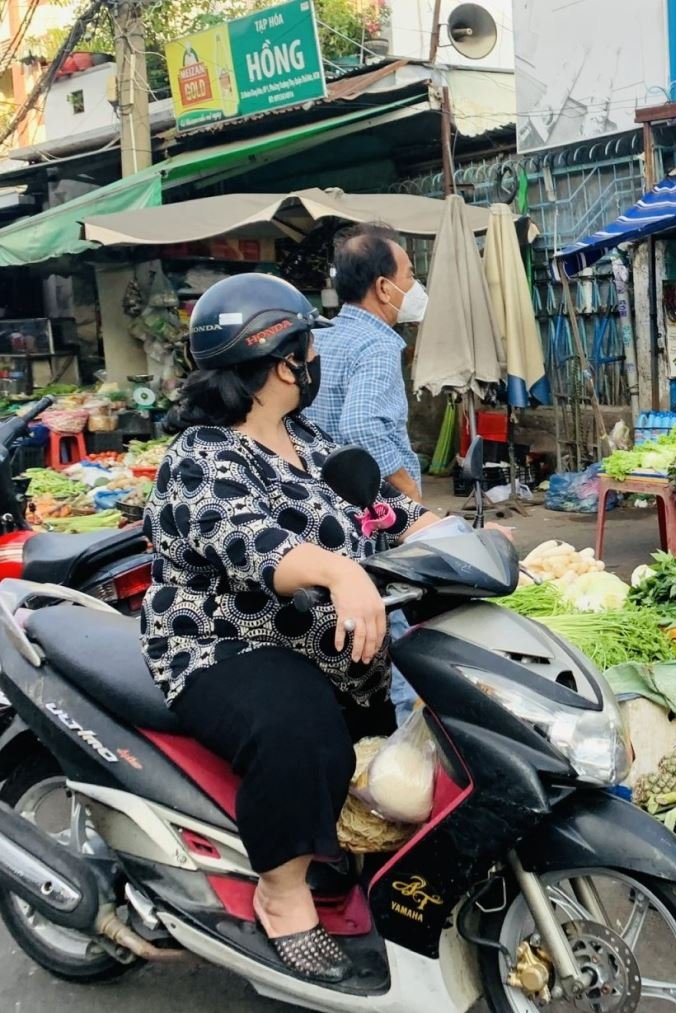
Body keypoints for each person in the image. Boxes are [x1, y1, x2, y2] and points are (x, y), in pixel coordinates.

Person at [142, 273, 446, 983]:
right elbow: (249, 541)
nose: (317, 361)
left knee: (408, 734)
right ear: (286, 361)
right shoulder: (201, 454)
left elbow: (370, 513)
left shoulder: (306, 437)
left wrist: (442, 528)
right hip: (221, 641)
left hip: (329, 641)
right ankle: (280, 895)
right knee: (304, 730)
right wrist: (339, 574)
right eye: (312, 348)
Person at [304, 223, 429, 722]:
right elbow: (362, 427)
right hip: (370, 517)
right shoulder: (378, 346)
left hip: (318, 517)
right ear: (383, 287)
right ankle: (408, 751)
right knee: (398, 629)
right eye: (411, 275)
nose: (416, 288)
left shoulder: (321, 337)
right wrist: (409, 499)